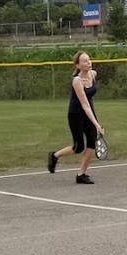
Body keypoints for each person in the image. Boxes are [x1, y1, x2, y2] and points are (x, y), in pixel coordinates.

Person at [47, 51, 104, 184]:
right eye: (85, 61)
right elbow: (84, 104)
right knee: (78, 147)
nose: (88, 62)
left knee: (91, 144)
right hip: (76, 115)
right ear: (78, 65)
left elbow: (89, 102)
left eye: (89, 60)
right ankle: (54, 156)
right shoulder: (77, 81)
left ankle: (81, 174)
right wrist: (97, 124)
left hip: (89, 112)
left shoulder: (93, 74)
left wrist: (94, 122)